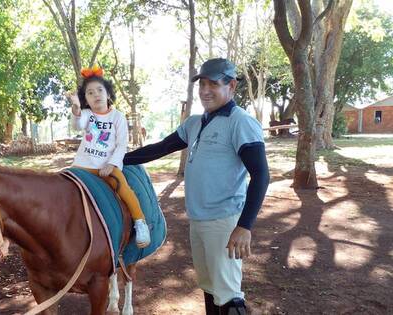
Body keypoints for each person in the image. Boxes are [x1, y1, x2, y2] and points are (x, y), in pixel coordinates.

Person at [123, 58, 270, 314]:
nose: (205, 90)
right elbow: (160, 148)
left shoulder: (240, 122)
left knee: (229, 297)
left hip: (224, 222)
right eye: (202, 83)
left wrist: (244, 226)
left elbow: (261, 175)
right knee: (210, 289)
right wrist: (116, 159)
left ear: (232, 85)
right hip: (199, 221)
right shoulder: (194, 123)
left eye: (213, 83)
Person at [67, 65, 151, 248]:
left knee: (123, 188)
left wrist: (112, 164)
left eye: (99, 90)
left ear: (108, 94)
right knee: (64, 186)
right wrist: (75, 107)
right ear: (86, 100)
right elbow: (77, 124)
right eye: (90, 93)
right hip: (82, 165)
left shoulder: (117, 117)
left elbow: (121, 144)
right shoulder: (87, 115)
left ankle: (140, 222)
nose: (96, 94)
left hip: (106, 166)